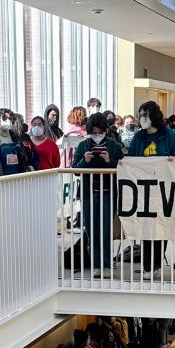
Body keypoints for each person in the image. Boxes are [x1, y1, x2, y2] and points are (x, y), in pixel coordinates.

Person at [127, 101, 175, 276]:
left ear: (154, 116)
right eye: (140, 115)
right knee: (146, 228)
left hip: (164, 190)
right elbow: (132, 159)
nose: (142, 118)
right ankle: (148, 266)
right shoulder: (139, 137)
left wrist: (173, 160)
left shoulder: (169, 135)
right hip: (144, 190)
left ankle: (157, 265)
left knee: (161, 228)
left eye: (145, 115)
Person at [72, 112, 125, 275]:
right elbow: (74, 169)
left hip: (108, 193)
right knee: (91, 230)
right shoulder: (83, 146)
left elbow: (124, 169)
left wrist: (111, 161)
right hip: (88, 193)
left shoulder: (114, 146)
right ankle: (96, 265)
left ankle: (107, 265)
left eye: (100, 132)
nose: (97, 136)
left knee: (106, 230)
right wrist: (84, 161)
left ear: (105, 131)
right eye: (94, 133)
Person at [0, 109, 29, 174]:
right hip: (1, 177)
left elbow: (23, 157)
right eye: (5, 118)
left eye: (10, 119)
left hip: (18, 176)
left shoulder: (15, 137)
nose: (8, 121)